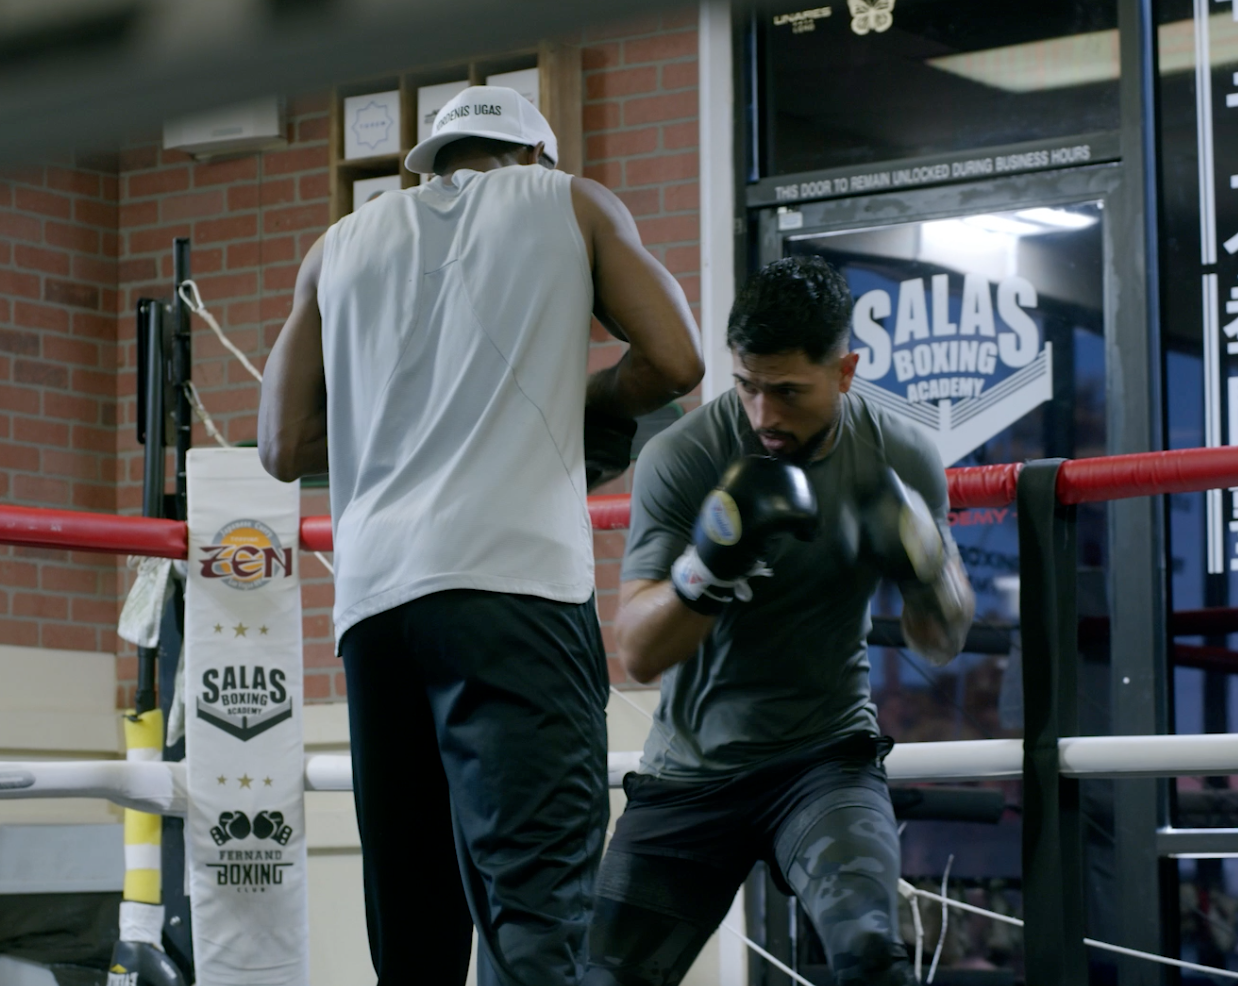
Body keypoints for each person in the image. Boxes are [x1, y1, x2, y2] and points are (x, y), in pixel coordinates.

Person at [256, 84, 701, 986]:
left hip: (375, 609)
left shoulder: (336, 245)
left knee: (413, 935)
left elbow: (282, 445)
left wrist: (402, 423)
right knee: (539, 922)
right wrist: (583, 402)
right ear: (535, 155)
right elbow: (675, 358)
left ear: (431, 160)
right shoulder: (569, 200)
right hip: (514, 593)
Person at [583, 255, 975, 986]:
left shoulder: (898, 456)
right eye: (747, 386)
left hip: (822, 761)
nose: (763, 415)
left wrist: (925, 569)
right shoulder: (684, 456)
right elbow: (637, 651)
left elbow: (941, 641)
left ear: (845, 371)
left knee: (870, 957)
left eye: (788, 391)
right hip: (690, 771)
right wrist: (708, 565)